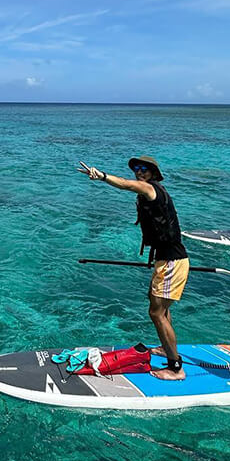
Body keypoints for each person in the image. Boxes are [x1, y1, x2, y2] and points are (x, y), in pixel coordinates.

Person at [78, 156, 189, 380]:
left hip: (171, 262)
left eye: (144, 169)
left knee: (156, 312)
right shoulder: (153, 191)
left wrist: (102, 176)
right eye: (137, 169)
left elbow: (127, 184)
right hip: (167, 260)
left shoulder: (149, 188)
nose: (139, 172)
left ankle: (176, 368)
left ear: (153, 173)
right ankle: (165, 346)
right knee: (159, 305)